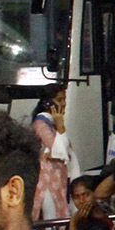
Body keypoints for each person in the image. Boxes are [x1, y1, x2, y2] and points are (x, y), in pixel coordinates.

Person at [30, 84, 76, 221]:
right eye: (60, 100)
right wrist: (60, 125)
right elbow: (60, 151)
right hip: (47, 182)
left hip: (58, 178)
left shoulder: (51, 123)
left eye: (64, 99)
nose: (64, 104)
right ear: (48, 102)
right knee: (52, 219)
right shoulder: (41, 124)